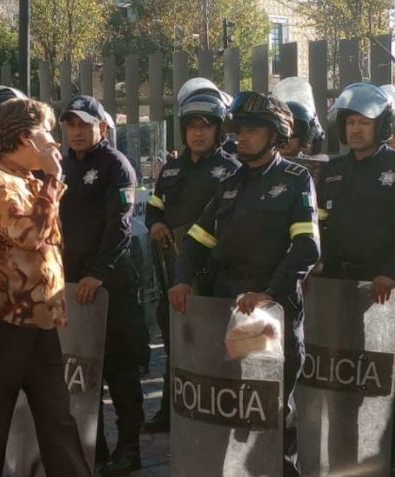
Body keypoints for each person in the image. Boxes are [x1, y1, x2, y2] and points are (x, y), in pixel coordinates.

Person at [169, 92, 320, 476]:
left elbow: (307, 246)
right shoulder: (231, 183)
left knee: (270, 410)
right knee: (231, 407)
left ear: (275, 135)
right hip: (225, 310)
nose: (242, 138)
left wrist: (269, 292)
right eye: (239, 130)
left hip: (269, 312)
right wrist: (182, 280)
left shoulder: (295, 179)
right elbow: (197, 240)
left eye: (252, 131)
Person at [0, 97, 91, 477]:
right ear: (22, 138)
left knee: (57, 416)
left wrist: (48, 182)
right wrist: (52, 182)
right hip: (1, 318)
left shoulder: (26, 181)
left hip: (37, 318)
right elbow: (29, 234)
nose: (54, 141)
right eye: (45, 132)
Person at [317, 82, 395, 474]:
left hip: (381, 295)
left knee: (388, 379)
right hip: (336, 295)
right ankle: (343, 452)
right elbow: (320, 233)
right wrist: (317, 268)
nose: (356, 130)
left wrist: (390, 275)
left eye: (365, 122)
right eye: (350, 122)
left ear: (382, 126)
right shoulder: (331, 171)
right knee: (340, 376)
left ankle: (393, 460)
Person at [142, 78, 239, 433]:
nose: (198, 134)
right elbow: (154, 208)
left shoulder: (231, 169)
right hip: (172, 271)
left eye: (206, 127)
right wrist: (155, 224)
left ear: (218, 130)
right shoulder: (170, 169)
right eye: (192, 127)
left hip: (212, 274)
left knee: (214, 344)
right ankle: (171, 410)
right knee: (175, 341)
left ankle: (214, 413)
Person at [59, 95, 145, 476]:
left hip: (110, 283)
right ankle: (96, 446)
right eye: (71, 125)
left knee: (119, 369)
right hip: (72, 281)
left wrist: (98, 273)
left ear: (103, 127)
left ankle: (129, 449)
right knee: (81, 367)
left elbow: (120, 227)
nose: (76, 132)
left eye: (84, 124)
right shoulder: (61, 166)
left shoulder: (116, 166)